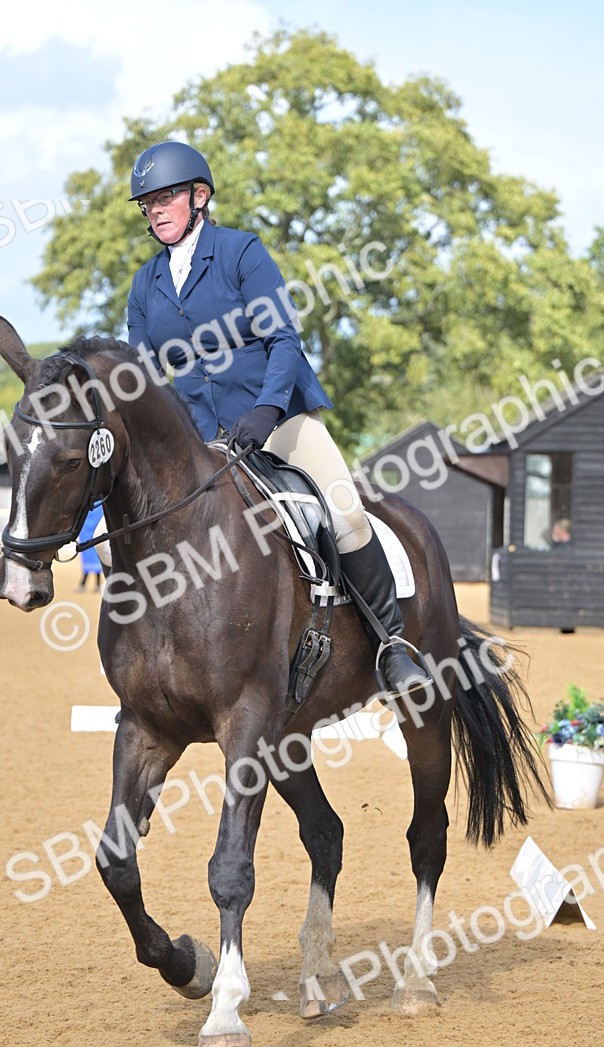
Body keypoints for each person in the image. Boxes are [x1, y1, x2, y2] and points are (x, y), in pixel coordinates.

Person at [126, 140, 430, 696]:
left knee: (345, 515)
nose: (157, 209)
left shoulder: (242, 254)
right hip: (201, 439)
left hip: (279, 417)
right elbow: (143, 380)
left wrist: (267, 409)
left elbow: (283, 337)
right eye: (147, 203)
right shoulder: (145, 286)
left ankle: (392, 646)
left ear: (200, 197)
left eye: (167, 197)